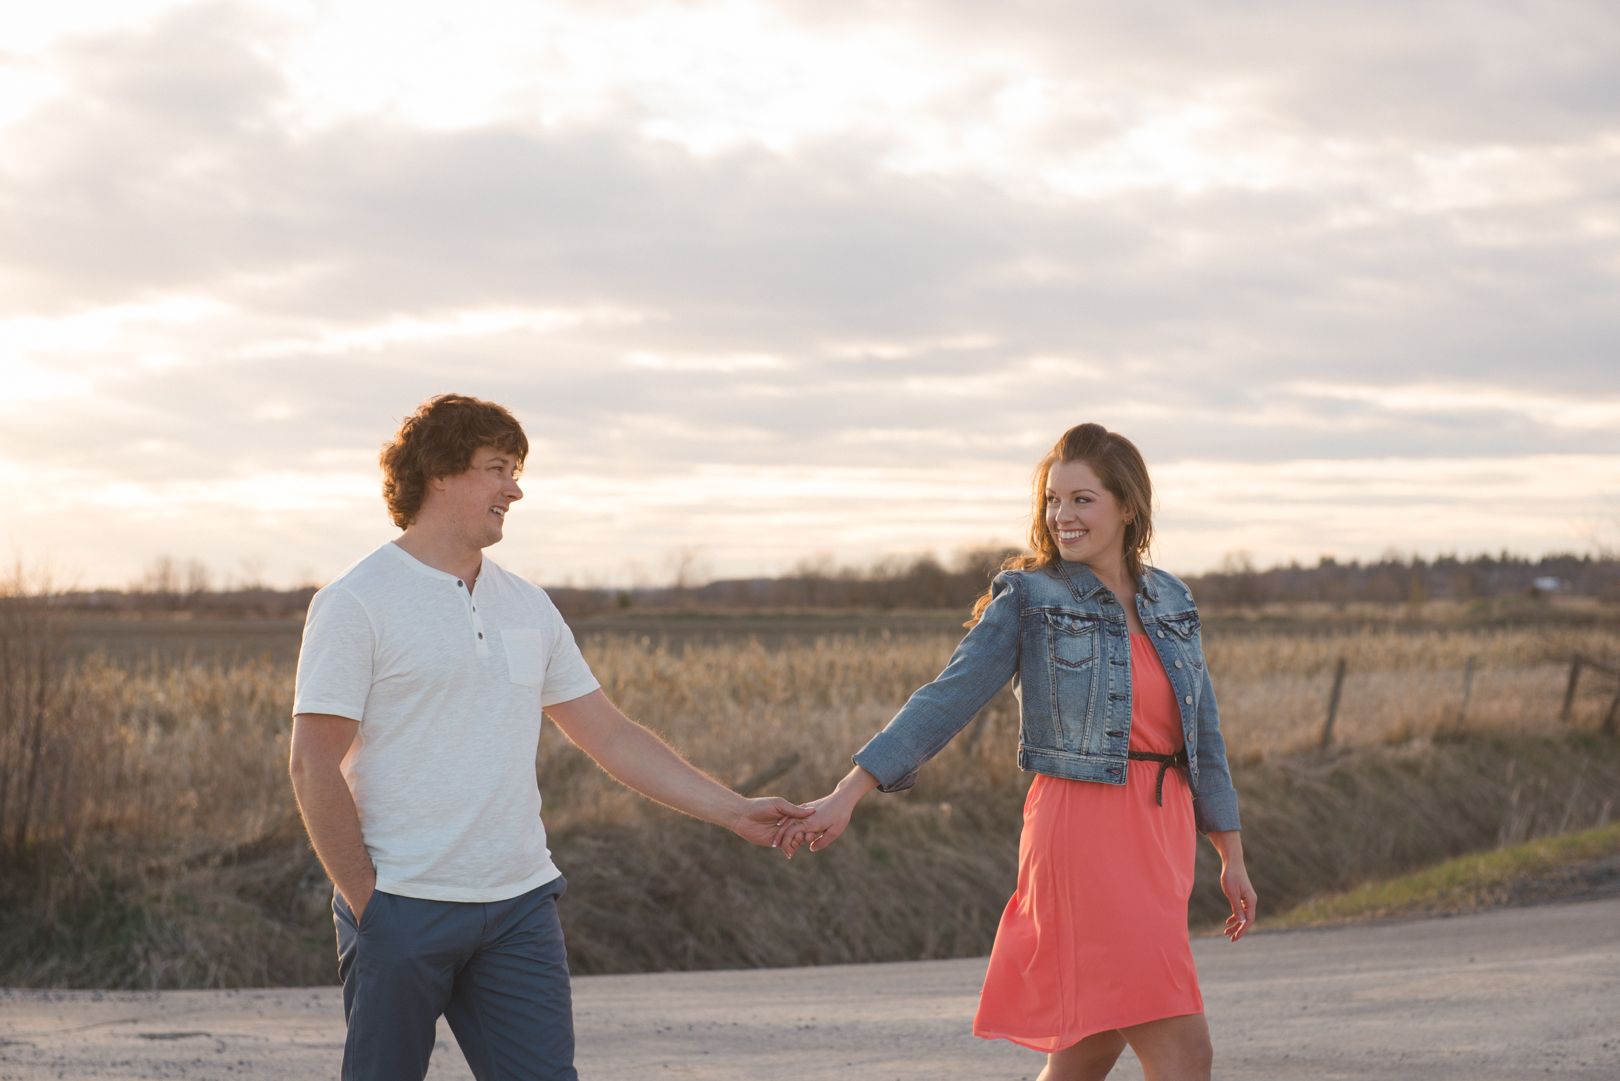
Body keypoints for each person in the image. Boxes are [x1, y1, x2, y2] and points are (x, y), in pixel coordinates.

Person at [289, 393, 810, 1081]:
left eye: (516, 469)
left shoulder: (527, 604)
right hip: (403, 906)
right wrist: (369, 904)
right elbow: (311, 764)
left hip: (518, 908)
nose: (516, 487)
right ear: (440, 472)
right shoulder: (356, 601)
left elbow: (612, 735)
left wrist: (734, 809)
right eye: (498, 467)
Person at [779, 422, 1256, 1081]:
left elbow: (1202, 732)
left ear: (1128, 506)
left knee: (1090, 1044)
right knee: (1181, 1047)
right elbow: (946, 698)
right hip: (1083, 829)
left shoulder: (1172, 598)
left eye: (1083, 499)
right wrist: (849, 790)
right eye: (1053, 500)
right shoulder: (1032, 597)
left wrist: (1230, 851)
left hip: (1162, 832)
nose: (1063, 514)